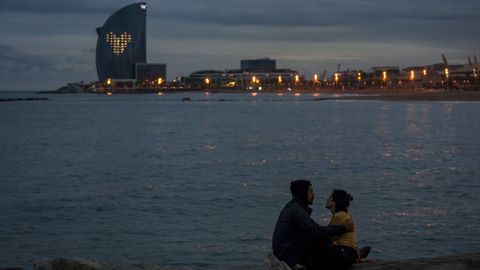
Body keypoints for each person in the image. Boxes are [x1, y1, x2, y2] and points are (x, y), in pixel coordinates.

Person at [272, 180, 353, 270]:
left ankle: (346, 254)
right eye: (310, 191)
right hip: (287, 255)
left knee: (320, 240)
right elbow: (316, 230)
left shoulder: (296, 208)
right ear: (303, 193)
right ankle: (345, 256)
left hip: (288, 250)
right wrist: (343, 228)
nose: (313, 194)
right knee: (321, 240)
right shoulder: (296, 210)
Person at [323, 189, 369, 270]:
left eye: (330, 197)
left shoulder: (339, 216)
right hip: (350, 251)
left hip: (344, 252)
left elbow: (329, 238)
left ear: (335, 202)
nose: (327, 199)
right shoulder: (345, 214)